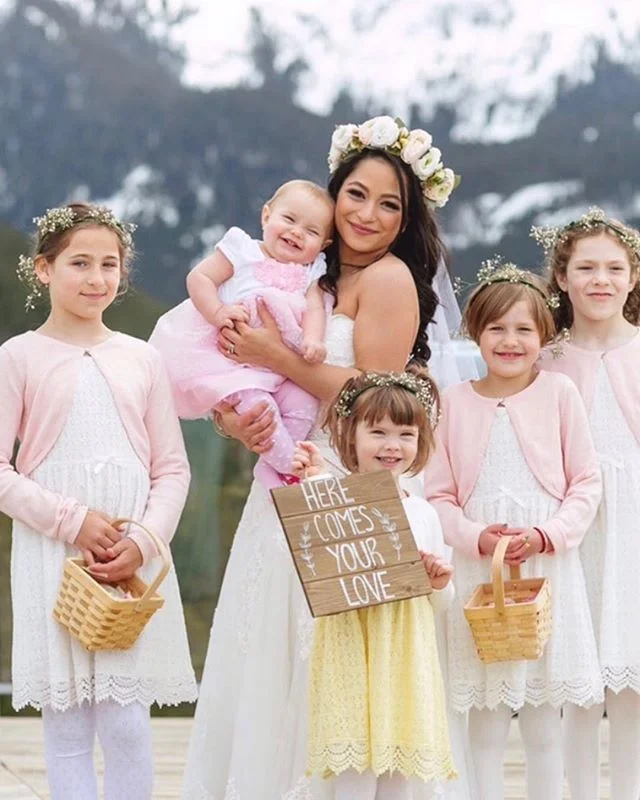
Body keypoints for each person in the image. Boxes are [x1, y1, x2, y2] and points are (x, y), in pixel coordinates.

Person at [182, 116, 474, 799]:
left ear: (407, 219)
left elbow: (374, 395)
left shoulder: (393, 281)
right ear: (333, 195)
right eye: (357, 195)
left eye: (389, 203)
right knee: (265, 649)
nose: (368, 214)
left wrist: (275, 356)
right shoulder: (307, 270)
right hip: (286, 475)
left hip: (346, 480)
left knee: (328, 658)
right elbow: (256, 378)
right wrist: (238, 415)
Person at [2, 203, 197, 800]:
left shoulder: (142, 358)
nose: (96, 278)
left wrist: (142, 541)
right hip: (54, 557)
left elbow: (171, 467)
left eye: (109, 264)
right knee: (66, 726)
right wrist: (73, 520)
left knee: (126, 723)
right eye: (79, 263)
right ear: (43, 269)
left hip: (130, 561)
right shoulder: (18, 357)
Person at [424, 259, 603, 800]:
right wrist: (475, 535)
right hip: (482, 571)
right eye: (496, 327)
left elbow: (585, 482)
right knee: (486, 717)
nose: (509, 340)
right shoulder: (451, 404)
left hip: (546, 568)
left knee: (546, 720)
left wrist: (548, 534)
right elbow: (439, 494)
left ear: (543, 335)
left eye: (524, 329)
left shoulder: (559, 395)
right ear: (475, 332)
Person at [291, 369, 457, 799]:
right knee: (355, 770)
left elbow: (441, 601)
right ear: (351, 435)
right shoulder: (337, 494)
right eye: (378, 431)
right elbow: (318, 554)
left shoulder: (424, 512)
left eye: (405, 433)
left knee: (398, 771)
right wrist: (313, 482)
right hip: (352, 648)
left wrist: (437, 581)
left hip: (403, 653)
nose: (391, 445)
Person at [534, 208, 640, 800]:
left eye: (614, 268)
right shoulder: (545, 357)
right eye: (587, 267)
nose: (601, 279)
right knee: (573, 675)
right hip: (570, 525)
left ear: (632, 278)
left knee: (632, 676)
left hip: (635, 524)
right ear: (563, 276)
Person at [149, 180, 334, 488]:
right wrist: (218, 312)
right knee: (259, 409)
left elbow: (315, 308)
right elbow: (200, 278)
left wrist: (312, 340)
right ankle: (290, 469)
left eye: (312, 231)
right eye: (289, 219)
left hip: (280, 369)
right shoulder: (243, 251)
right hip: (231, 363)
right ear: (266, 216)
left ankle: (277, 463)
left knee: (305, 401)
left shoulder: (314, 272)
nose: (297, 232)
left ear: (324, 245)